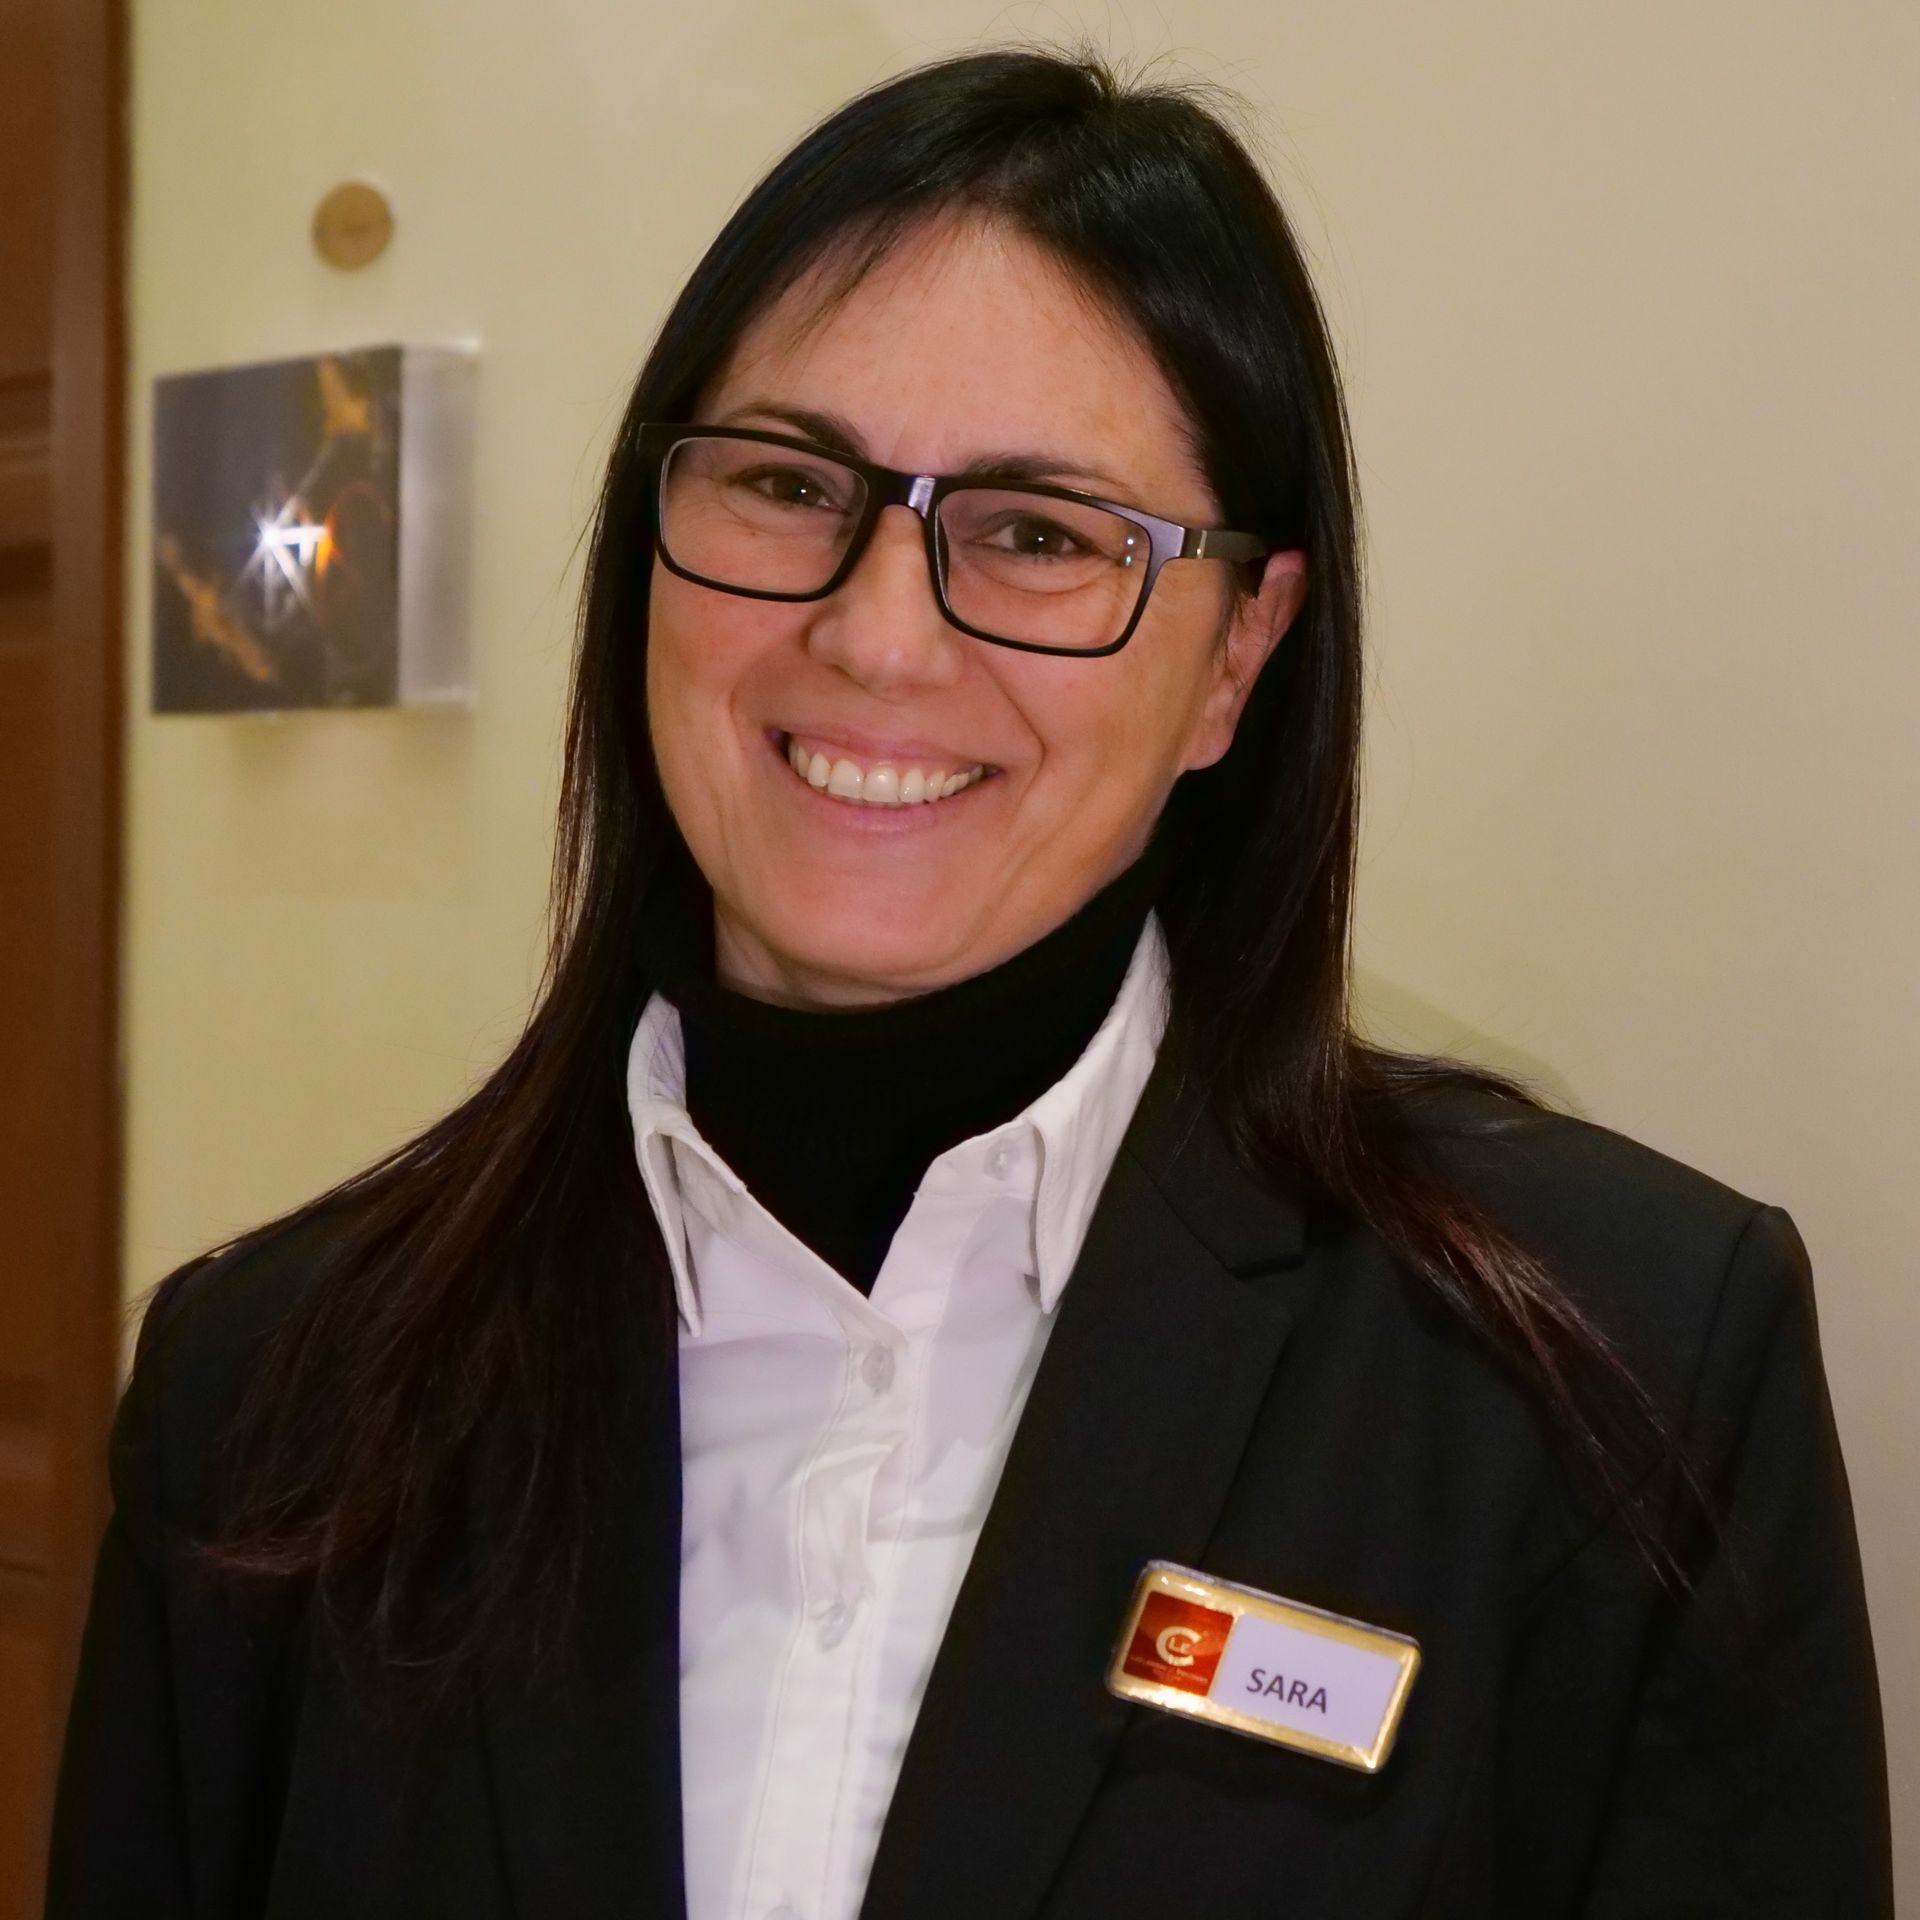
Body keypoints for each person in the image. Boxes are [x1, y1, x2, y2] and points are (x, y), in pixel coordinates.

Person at [47, 42, 1891, 1920]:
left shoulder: (1613, 1378)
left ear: (1238, 654)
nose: (876, 636)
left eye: (1037, 533)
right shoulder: (270, 1396)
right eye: (788, 483)